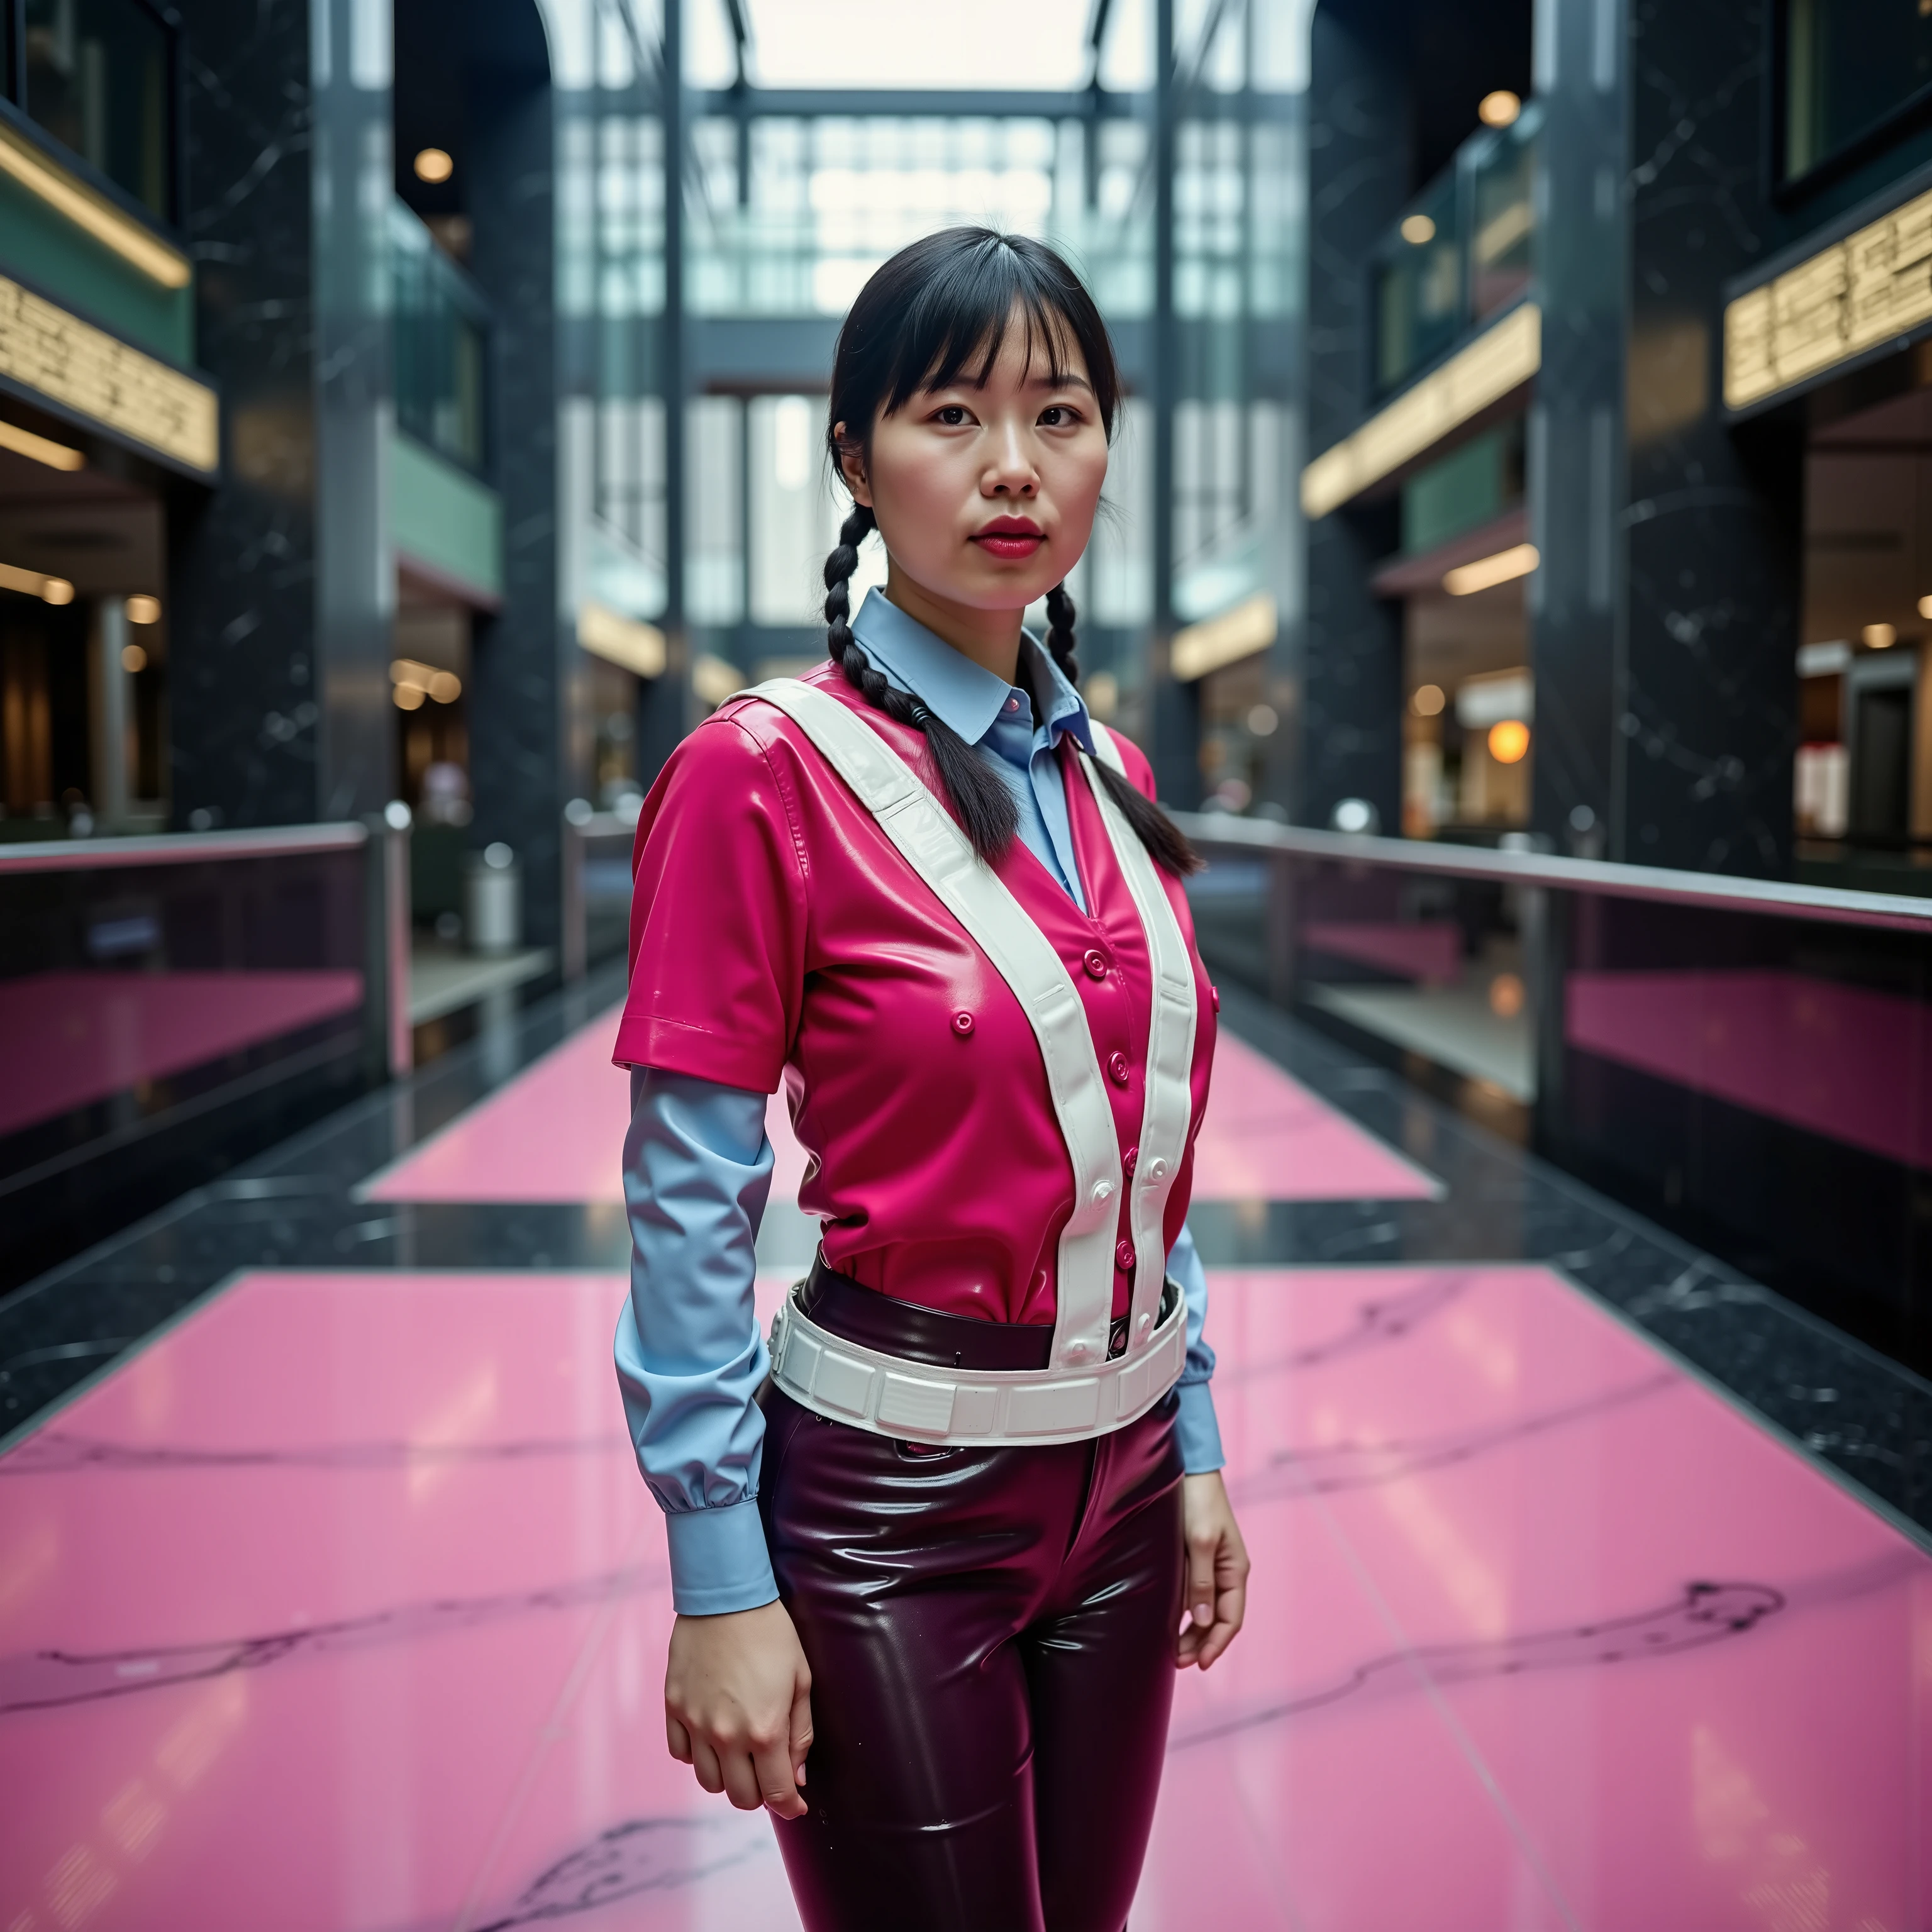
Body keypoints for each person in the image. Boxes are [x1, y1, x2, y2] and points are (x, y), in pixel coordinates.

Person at [613, 226, 1249, 1932]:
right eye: (952, 416)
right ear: (854, 458)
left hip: (1119, 1494)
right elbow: (689, 1197)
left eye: (1061, 415)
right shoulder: (759, 772)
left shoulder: (1113, 772)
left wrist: (1188, 1443)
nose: (1014, 468)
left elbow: (1141, 1147)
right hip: (888, 1504)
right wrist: (716, 1575)